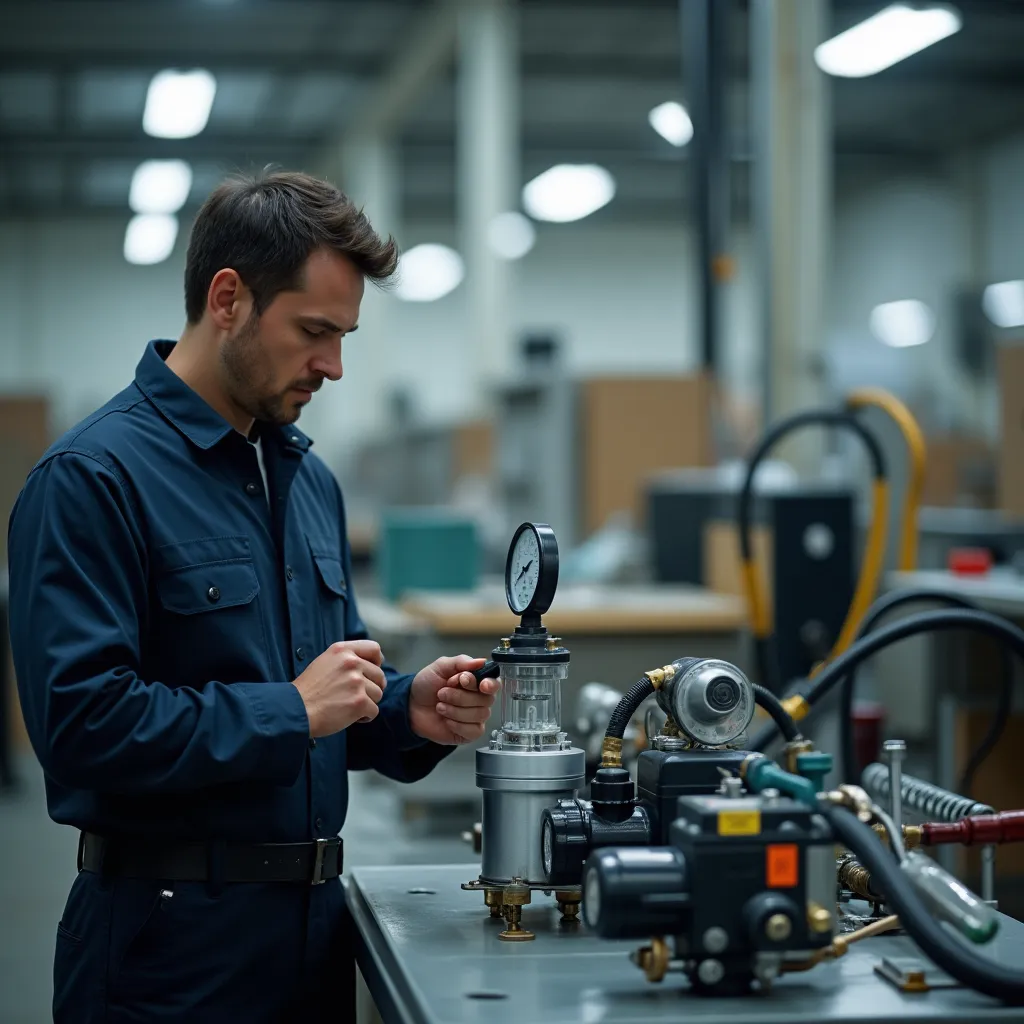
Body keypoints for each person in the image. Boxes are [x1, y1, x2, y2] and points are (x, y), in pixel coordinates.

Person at [8, 170, 500, 1023]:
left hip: (310, 942)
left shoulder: (309, 483)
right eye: (314, 331)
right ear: (227, 298)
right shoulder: (93, 478)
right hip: (167, 955)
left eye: (344, 335)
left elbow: (328, 696)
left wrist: (406, 711)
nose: (334, 366)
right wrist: (290, 711)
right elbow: (83, 729)